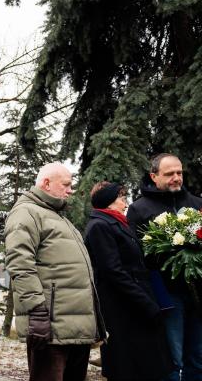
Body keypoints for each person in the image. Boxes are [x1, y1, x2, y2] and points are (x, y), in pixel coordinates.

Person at [4, 163, 103, 381]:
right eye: (66, 185)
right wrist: (37, 311)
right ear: (46, 183)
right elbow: (19, 263)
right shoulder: (26, 213)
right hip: (50, 328)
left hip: (74, 328)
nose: (71, 190)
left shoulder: (59, 217)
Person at [84, 181, 172, 380]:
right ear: (108, 202)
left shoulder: (116, 222)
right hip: (122, 307)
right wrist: (145, 302)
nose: (125, 204)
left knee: (145, 364)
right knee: (128, 366)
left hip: (132, 305)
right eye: (121, 199)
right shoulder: (100, 226)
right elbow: (113, 271)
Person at [127, 153, 202, 380]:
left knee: (198, 358)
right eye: (169, 174)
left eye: (179, 173)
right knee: (173, 359)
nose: (176, 178)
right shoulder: (139, 209)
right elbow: (136, 256)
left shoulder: (197, 204)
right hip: (167, 296)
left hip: (198, 293)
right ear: (154, 176)